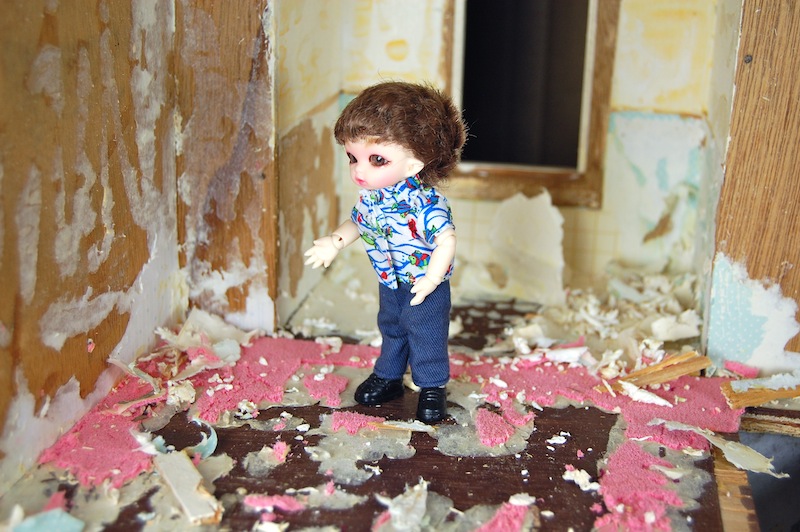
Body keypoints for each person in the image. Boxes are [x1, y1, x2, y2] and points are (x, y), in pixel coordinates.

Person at [304, 81, 466, 423]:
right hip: (389, 278)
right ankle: (389, 375)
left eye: (377, 160)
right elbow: (358, 221)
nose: (359, 170)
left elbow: (446, 240)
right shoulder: (372, 198)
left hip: (425, 284)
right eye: (353, 158)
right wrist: (335, 241)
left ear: (413, 164)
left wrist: (432, 278)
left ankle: (432, 386)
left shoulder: (426, 204)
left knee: (426, 332)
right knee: (391, 325)